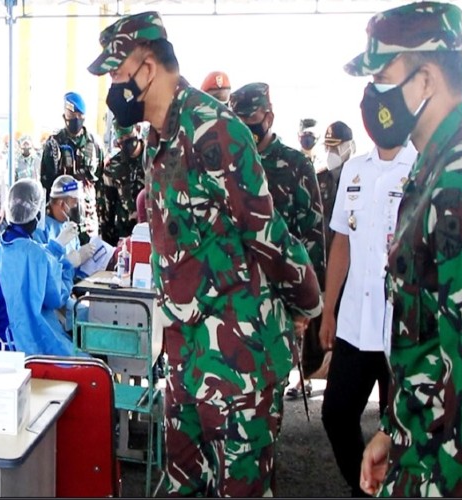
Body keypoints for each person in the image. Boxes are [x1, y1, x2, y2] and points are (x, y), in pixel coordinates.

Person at [88, 12, 322, 496]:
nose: (113, 86)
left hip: (239, 361)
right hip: (185, 360)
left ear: (147, 68)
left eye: (117, 73)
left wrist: (307, 304)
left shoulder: (214, 130)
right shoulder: (159, 137)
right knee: (184, 488)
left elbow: (266, 233)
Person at [345, 3, 462, 497]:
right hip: (423, 451)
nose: (372, 94)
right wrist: (396, 430)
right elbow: (429, 338)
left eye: (383, 75)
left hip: (454, 472)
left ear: (427, 78)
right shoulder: (432, 169)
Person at [318, 139, 417, 497]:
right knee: (336, 414)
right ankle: (367, 489)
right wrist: (329, 309)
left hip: (403, 330)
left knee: (403, 427)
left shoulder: (420, 168)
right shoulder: (354, 169)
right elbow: (342, 239)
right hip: (355, 324)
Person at [230, 82, 327, 399]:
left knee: (269, 391)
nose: (245, 127)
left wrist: (306, 306)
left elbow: (312, 235)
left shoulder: (295, 164)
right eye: (238, 120)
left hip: (280, 298)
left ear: (268, 117)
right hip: (234, 294)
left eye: (250, 118)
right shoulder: (228, 164)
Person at [0, 179, 77, 358]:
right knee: (88, 364)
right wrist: (68, 266)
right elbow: (57, 297)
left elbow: (23, 262)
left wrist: (53, 250)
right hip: (30, 348)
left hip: (0, 346)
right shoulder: (35, 254)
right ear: (36, 213)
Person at [40, 91, 105, 245]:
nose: (75, 120)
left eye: (78, 116)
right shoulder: (53, 144)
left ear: (84, 117)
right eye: (71, 116)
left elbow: (101, 182)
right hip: (61, 219)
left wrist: (102, 221)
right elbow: (46, 182)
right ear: (64, 116)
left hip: (87, 220)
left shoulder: (94, 144)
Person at [35, 174, 97, 274]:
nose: (77, 207)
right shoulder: (40, 229)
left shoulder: (69, 228)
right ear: (61, 203)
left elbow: (74, 272)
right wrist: (68, 263)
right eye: (74, 203)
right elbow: (42, 269)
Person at [99, 121, 146, 246]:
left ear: (137, 129)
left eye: (128, 136)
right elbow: (108, 208)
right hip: (124, 235)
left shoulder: (155, 158)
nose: (126, 142)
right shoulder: (113, 167)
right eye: (121, 139)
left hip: (152, 231)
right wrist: (108, 243)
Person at [317, 121, 356, 257]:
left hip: (349, 254)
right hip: (323, 252)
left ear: (349, 146)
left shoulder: (359, 179)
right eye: (328, 147)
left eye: (336, 147)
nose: (331, 152)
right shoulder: (319, 178)